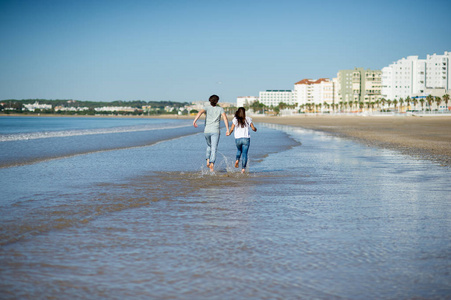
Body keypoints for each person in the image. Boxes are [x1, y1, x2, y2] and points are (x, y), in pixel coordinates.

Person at [193, 95, 230, 172]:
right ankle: (212, 163)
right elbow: (225, 118)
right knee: (214, 148)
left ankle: (207, 160)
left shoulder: (206, 107)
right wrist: (227, 129)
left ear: (210, 101)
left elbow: (200, 112)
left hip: (206, 131)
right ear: (217, 101)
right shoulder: (220, 109)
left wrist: (194, 121)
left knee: (209, 145)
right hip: (215, 131)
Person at [226, 107, 257, 173]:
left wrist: (229, 133)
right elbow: (253, 128)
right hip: (246, 138)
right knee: (245, 153)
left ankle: (237, 160)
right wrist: (255, 129)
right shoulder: (248, 119)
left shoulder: (235, 119)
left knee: (239, 150)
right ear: (244, 112)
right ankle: (243, 169)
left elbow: (231, 128)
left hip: (238, 138)